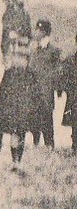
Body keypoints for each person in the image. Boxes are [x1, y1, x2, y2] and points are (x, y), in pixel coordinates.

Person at [0, 37, 42, 167]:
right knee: (14, 135)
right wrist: (1, 107)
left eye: (23, 59)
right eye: (17, 58)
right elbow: (2, 90)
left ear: (27, 61)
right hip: (11, 109)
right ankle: (15, 160)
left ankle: (18, 159)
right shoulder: (9, 73)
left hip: (25, 110)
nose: (20, 61)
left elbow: (36, 93)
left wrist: (34, 107)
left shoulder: (31, 75)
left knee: (21, 134)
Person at [30, 20, 61, 148]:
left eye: (38, 30)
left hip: (46, 89)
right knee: (34, 116)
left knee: (47, 116)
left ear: (43, 32)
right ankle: (36, 142)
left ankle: (49, 144)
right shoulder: (34, 49)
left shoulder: (53, 51)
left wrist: (56, 87)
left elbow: (57, 71)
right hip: (34, 88)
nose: (35, 32)